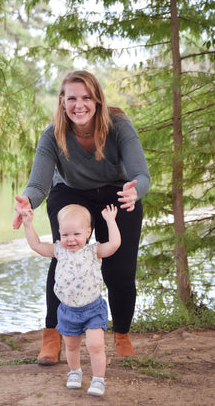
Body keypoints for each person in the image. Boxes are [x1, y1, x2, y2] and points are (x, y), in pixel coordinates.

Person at [13, 70, 151, 365]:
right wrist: (28, 202)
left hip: (118, 193)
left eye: (86, 97)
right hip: (71, 193)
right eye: (72, 98)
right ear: (62, 102)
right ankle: (52, 335)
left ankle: (122, 335)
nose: (79, 105)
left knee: (120, 271)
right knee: (64, 257)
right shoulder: (53, 135)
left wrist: (134, 191)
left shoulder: (119, 127)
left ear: (98, 100)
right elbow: (38, 185)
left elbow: (141, 174)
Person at [22, 203, 121, 396]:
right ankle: (75, 372)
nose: (71, 240)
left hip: (93, 308)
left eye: (76, 234)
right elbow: (36, 245)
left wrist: (111, 221)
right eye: (66, 235)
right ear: (59, 233)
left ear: (87, 232)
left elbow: (114, 245)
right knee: (71, 345)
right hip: (67, 310)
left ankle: (99, 379)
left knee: (95, 345)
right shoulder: (59, 250)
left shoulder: (94, 251)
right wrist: (28, 224)